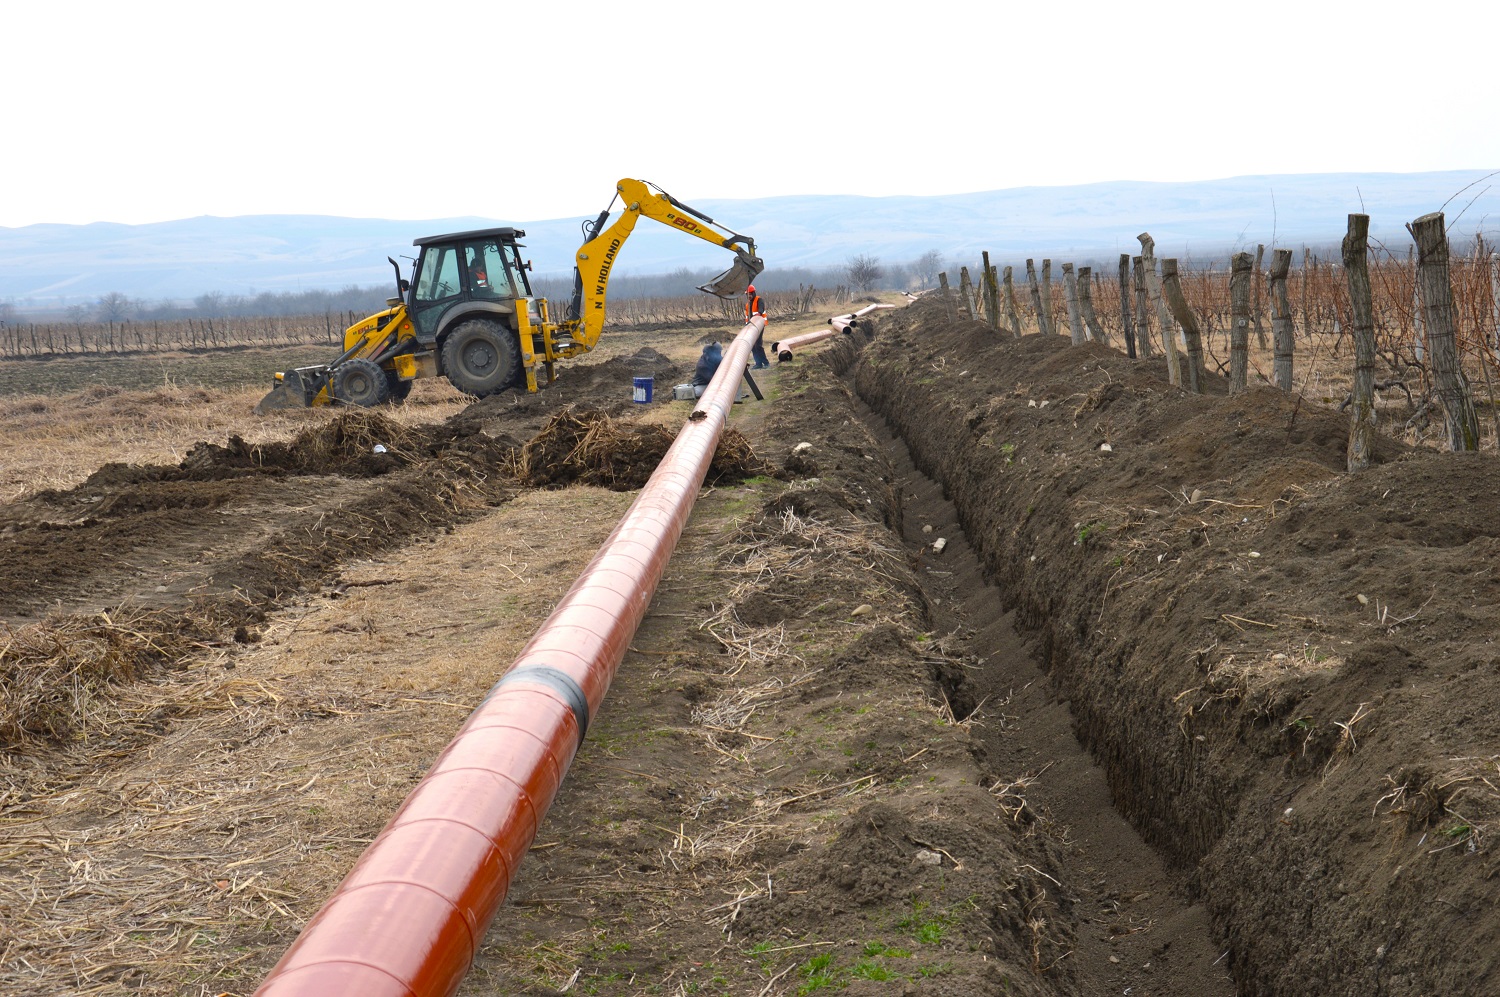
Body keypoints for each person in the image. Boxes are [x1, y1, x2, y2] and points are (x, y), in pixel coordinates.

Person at [744, 284, 769, 368]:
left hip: (759, 325)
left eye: (750, 294)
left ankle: (766, 363)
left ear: (754, 293)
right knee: (752, 346)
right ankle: (758, 363)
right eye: (748, 294)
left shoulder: (759, 300)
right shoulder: (747, 304)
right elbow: (747, 317)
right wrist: (746, 326)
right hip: (751, 326)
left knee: (758, 345)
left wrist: (759, 313)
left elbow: (761, 309)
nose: (749, 296)